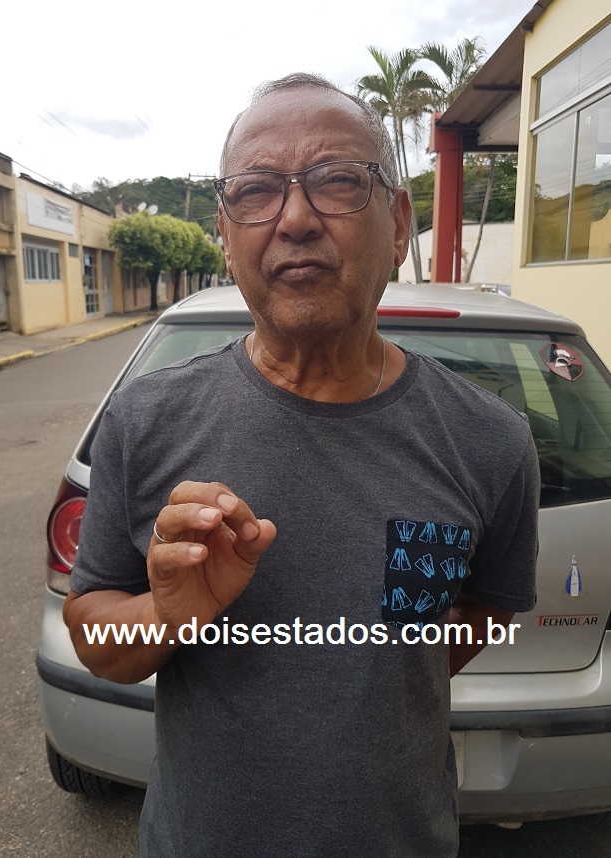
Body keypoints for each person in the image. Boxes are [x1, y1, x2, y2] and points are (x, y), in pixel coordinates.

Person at [64, 73, 539, 857]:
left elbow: (486, 610)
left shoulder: (486, 441)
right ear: (225, 231)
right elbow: (97, 642)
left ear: (397, 223)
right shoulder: (145, 421)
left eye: (336, 182)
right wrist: (169, 615)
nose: (294, 219)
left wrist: (387, 666)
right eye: (256, 192)